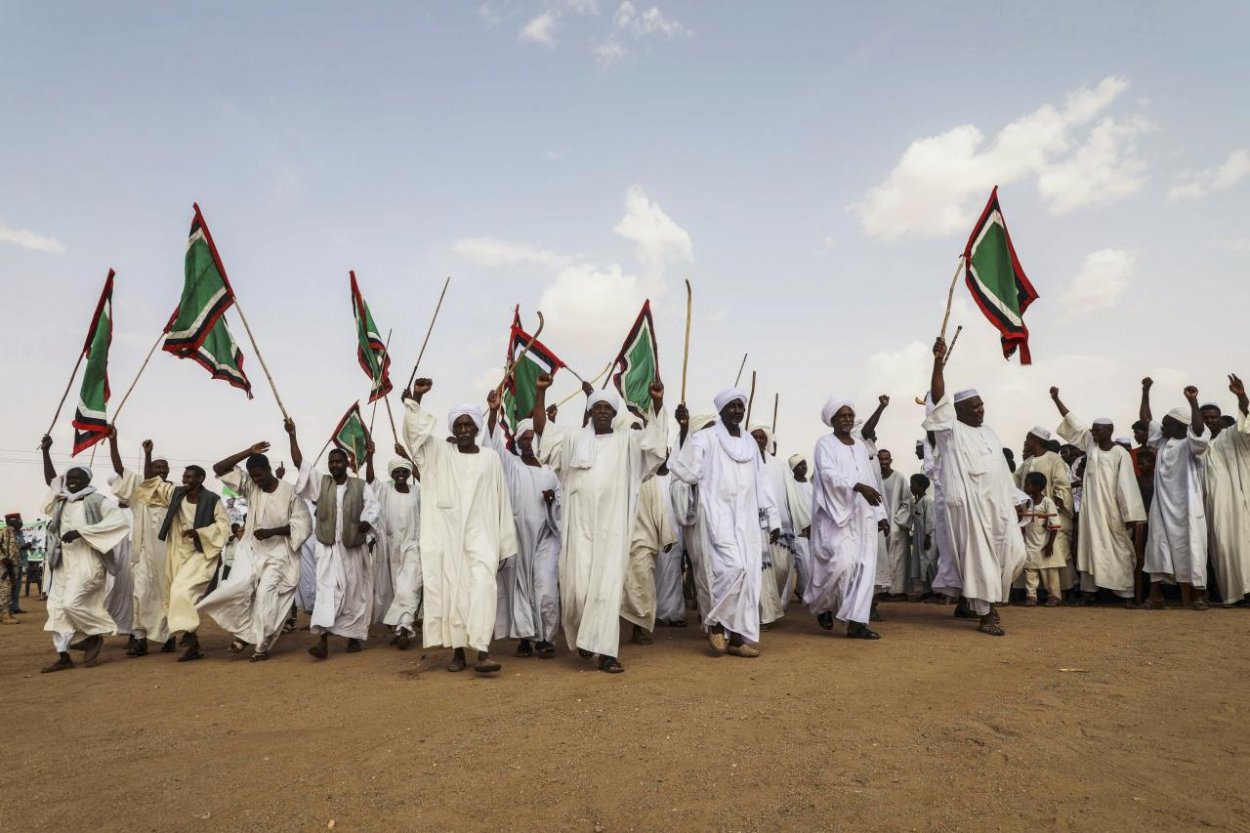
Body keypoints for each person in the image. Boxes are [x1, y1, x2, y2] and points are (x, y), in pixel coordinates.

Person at [531, 374, 668, 674]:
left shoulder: (628, 442)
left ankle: (607, 652)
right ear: (590, 412)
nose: (603, 411)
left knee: (606, 591)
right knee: (578, 590)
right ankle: (585, 635)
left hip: (612, 529)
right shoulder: (572, 440)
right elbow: (542, 430)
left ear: (614, 413)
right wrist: (541, 393)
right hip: (578, 529)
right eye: (598, 407)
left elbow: (655, 445)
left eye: (608, 407)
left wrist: (657, 403)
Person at [401, 380, 516, 673]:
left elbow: (501, 501)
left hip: (483, 538)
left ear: (477, 429)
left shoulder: (490, 460)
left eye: (469, 425)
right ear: (453, 430)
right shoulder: (441, 454)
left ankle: (482, 652)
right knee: (453, 593)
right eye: (459, 426)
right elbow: (416, 439)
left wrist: (503, 544)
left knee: (482, 589)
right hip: (449, 539)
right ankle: (458, 654)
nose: (464, 430)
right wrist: (416, 399)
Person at [921, 336, 1026, 636]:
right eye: (974, 407)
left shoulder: (991, 433)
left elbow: (1002, 473)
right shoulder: (949, 430)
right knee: (979, 560)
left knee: (1015, 554)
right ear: (960, 411)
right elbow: (938, 399)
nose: (980, 410)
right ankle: (987, 612)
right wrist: (938, 360)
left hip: (999, 509)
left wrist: (1015, 500)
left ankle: (973, 600)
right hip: (968, 509)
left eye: (981, 405)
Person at [198, 438, 312, 661]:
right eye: (253, 476)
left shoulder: (291, 493)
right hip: (251, 549)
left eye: (260, 475)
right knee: (237, 587)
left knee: (264, 596)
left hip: (279, 555)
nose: (257, 480)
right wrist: (248, 451)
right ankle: (245, 633)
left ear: (269, 470)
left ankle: (261, 646)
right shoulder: (250, 487)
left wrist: (272, 532)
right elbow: (219, 468)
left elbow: (302, 525)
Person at [289, 419, 381, 659]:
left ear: (347, 464)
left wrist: (366, 522)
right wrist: (292, 436)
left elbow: (373, 507)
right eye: (331, 461)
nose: (334, 465)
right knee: (326, 593)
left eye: (338, 461)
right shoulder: (322, 484)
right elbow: (301, 464)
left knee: (353, 593)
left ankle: (352, 636)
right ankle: (322, 640)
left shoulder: (360, 485)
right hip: (328, 550)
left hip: (352, 550)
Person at [38, 435, 131, 671]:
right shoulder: (60, 501)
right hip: (62, 561)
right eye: (69, 478)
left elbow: (118, 523)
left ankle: (94, 634)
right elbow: (51, 480)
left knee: (71, 603)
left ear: (86, 480)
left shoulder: (98, 501)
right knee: (57, 608)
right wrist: (46, 451)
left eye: (76, 478)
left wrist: (82, 532)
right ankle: (63, 656)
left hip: (88, 561)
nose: (70, 482)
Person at [1050, 389, 1146, 605]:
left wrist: (1129, 514)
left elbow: (1127, 486)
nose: (1094, 433)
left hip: (1112, 512)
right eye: (1093, 430)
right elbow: (1072, 422)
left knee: (1119, 548)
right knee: (1089, 549)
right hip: (1090, 512)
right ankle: (1089, 592)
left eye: (1099, 430)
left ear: (1110, 430)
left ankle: (1125, 593)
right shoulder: (1090, 445)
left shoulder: (1120, 453)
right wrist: (1057, 399)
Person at [484, 395, 561, 658]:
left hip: (546, 537)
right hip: (517, 538)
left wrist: (553, 502)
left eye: (532, 438)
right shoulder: (512, 466)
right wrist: (494, 413)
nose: (528, 443)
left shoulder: (551, 471)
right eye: (524, 439)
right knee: (519, 590)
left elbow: (562, 500)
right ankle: (526, 639)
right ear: (517, 443)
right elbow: (493, 445)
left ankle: (547, 638)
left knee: (546, 587)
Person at [135, 449, 230, 662]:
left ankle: (190, 636)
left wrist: (200, 533)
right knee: (178, 594)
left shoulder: (212, 499)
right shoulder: (176, 494)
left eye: (189, 477)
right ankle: (192, 639)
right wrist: (148, 455)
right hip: (177, 553)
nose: (184, 480)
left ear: (200, 479)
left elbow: (224, 526)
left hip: (202, 554)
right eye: (184, 477)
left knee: (182, 591)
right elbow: (152, 484)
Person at [1139, 379, 1210, 610]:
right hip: (1162, 506)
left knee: (1192, 548)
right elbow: (1146, 420)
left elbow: (1199, 430)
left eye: (1167, 424)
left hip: (1187, 508)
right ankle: (1155, 595)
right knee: (1157, 547)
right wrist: (1146, 391)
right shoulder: (1163, 441)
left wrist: (1193, 402)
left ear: (1180, 426)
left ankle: (1198, 596)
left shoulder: (1192, 443)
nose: (1162, 427)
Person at [105, 430, 173, 656]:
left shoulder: (172, 492)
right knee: (139, 594)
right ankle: (140, 639)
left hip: (167, 553)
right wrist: (114, 440)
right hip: (143, 553)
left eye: (164, 468)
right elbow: (119, 469)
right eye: (157, 468)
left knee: (167, 595)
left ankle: (169, 636)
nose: (161, 471)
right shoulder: (138, 492)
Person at [1199, 375, 1250, 606]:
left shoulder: (1232, 436)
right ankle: (1232, 594)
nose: (1210, 421)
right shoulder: (1198, 444)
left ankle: (1247, 591)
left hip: (1236, 504)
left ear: (1221, 419)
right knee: (1221, 547)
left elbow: (1245, 421)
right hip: (1211, 506)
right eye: (1206, 418)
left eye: (1214, 417)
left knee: (1242, 543)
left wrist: (1241, 396)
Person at [367, 447, 421, 628]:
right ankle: (400, 624)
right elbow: (370, 481)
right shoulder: (386, 491)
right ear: (392, 474)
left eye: (404, 471)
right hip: (391, 549)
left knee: (409, 586)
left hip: (412, 546)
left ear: (408, 473)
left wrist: (406, 456)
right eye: (396, 471)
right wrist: (370, 456)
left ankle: (404, 627)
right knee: (397, 588)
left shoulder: (417, 492)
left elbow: (428, 481)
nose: (400, 474)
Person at [750, 424, 792, 625]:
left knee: (782, 567)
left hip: (780, 524)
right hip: (755, 524)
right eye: (754, 437)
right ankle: (762, 614)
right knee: (761, 570)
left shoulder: (779, 465)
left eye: (762, 437)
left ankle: (772, 604)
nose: (759, 440)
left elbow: (790, 494)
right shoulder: (745, 461)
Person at [1019, 472, 1064, 606]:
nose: (1025, 487)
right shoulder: (1026, 502)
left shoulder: (1047, 502)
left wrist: (1050, 545)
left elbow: (1054, 524)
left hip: (1045, 542)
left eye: (1028, 484)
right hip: (1030, 541)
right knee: (1030, 570)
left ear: (1037, 487)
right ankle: (1031, 596)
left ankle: (1054, 595)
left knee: (1049, 571)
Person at [653, 458, 686, 627]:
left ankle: (675, 614)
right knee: (657, 574)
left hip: (674, 534)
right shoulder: (648, 478)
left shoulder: (674, 477)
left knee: (673, 573)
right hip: (654, 533)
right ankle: (658, 612)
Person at [875, 446, 911, 598]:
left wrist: (896, 523)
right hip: (879, 527)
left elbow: (907, 502)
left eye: (886, 459)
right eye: (881, 459)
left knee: (897, 560)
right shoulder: (874, 479)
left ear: (891, 460)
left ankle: (896, 591)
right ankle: (883, 589)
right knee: (881, 558)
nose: (883, 462)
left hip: (896, 526)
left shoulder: (899, 477)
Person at [785, 455, 814, 601]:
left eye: (805, 464)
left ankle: (801, 590)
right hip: (798, 531)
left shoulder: (811, 485)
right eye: (800, 465)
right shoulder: (789, 486)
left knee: (812, 566)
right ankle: (803, 591)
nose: (803, 467)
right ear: (793, 468)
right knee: (804, 566)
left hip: (814, 531)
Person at [907, 473, 935, 599]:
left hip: (927, 537)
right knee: (921, 563)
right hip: (919, 537)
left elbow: (930, 520)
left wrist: (928, 537)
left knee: (929, 563)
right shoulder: (916, 501)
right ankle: (926, 591)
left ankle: (934, 592)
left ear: (921, 486)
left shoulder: (927, 501)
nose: (911, 486)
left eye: (913, 484)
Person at [0, 516, 21, 624]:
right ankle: (5, 616)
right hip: (3, 567)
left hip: (11, 568)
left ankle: (5, 614)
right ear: (12, 521)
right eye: (19, 520)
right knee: (5, 590)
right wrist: (3, 558)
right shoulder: (4, 531)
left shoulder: (15, 533)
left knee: (8, 590)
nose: (21, 522)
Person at [6, 513, 26, 615]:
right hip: (11, 564)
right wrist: (22, 548)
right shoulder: (7, 532)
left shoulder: (20, 533)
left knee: (17, 587)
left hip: (20, 562)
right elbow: (8, 548)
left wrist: (26, 547)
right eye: (18, 520)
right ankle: (7, 609)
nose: (20, 521)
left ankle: (15, 607)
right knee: (10, 586)